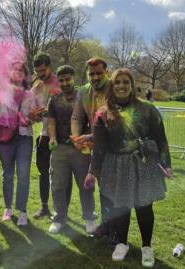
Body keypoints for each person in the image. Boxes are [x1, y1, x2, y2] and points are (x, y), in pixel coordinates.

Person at [85, 68, 172, 267]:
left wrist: (166, 163)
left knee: (144, 207)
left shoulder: (147, 109)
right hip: (116, 166)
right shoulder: (103, 113)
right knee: (120, 207)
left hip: (143, 164)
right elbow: (99, 147)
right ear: (111, 86)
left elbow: (161, 137)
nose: (121, 86)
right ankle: (122, 243)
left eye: (126, 82)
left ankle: (147, 247)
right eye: (117, 82)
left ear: (132, 85)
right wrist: (92, 172)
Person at [47, 65, 95, 234]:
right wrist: (52, 138)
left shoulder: (85, 97)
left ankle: (89, 218)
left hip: (81, 149)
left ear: (74, 78)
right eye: (61, 80)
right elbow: (51, 121)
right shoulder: (54, 100)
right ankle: (59, 218)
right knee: (58, 186)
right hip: (59, 148)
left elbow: (93, 119)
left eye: (68, 79)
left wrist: (88, 139)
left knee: (86, 185)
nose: (65, 83)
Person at [70, 58, 112, 239]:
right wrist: (76, 139)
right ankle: (105, 225)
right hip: (95, 147)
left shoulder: (114, 87)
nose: (95, 77)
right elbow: (77, 118)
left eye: (99, 73)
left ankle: (115, 229)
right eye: (91, 73)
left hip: (114, 147)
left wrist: (95, 138)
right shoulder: (83, 91)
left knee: (111, 190)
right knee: (102, 189)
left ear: (106, 72)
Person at [0, 61, 38, 226]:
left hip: (24, 138)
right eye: (15, 69)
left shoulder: (30, 95)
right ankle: (8, 208)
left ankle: (22, 211)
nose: (18, 72)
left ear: (25, 74)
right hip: (6, 137)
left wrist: (31, 120)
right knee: (7, 174)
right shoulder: (2, 91)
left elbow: (36, 116)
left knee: (23, 175)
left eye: (21, 70)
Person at [29, 52, 66, 219]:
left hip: (61, 136)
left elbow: (66, 110)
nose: (40, 74)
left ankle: (62, 210)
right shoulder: (36, 88)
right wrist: (34, 116)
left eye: (43, 70)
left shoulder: (62, 83)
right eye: (37, 71)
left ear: (50, 66)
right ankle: (44, 207)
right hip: (43, 136)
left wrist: (46, 112)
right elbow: (34, 113)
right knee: (43, 172)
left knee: (62, 175)